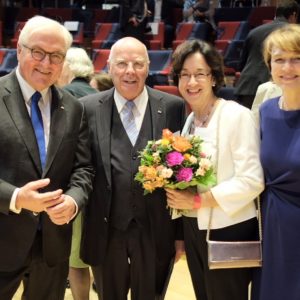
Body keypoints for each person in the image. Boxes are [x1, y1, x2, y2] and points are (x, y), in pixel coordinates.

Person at [80, 36, 186, 300]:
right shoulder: (88, 108)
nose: (130, 71)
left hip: (155, 230)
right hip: (106, 229)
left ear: (148, 67)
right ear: (108, 68)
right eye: (122, 64)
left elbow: (184, 175)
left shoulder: (172, 107)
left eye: (138, 64)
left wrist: (181, 233)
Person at [0, 15, 94, 300]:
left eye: (56, 56)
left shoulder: (73, 108)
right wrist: (16, 198)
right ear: (19, 50)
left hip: (52, 247)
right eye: (38, 52)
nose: (46, 63)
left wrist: (73, 201)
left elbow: (83, 169)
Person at [166, 39, 264, 300]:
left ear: (214, 78)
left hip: (229, 228)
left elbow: (252, 180)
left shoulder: (236, 115)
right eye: (184, 75)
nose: (191, 82)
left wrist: (198, 200)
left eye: (200, 74)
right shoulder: (189, 120)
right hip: (195, 227)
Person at [251, 24, 300, 300]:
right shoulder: (267, 111)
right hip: (271, 226)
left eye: (297, 59)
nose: (287, 67)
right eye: (279, 59)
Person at [57, 47, 98, 300]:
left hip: (76, 188)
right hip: (101, 187)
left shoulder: (63, 97)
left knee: (76, 260)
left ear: (67, 67)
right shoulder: (100, 93)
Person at [234, 0, 299, 109]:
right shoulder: (293, 34)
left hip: (247, 86)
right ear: (294, 15)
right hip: (277, 87)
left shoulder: (254, 31)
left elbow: (241, 64)